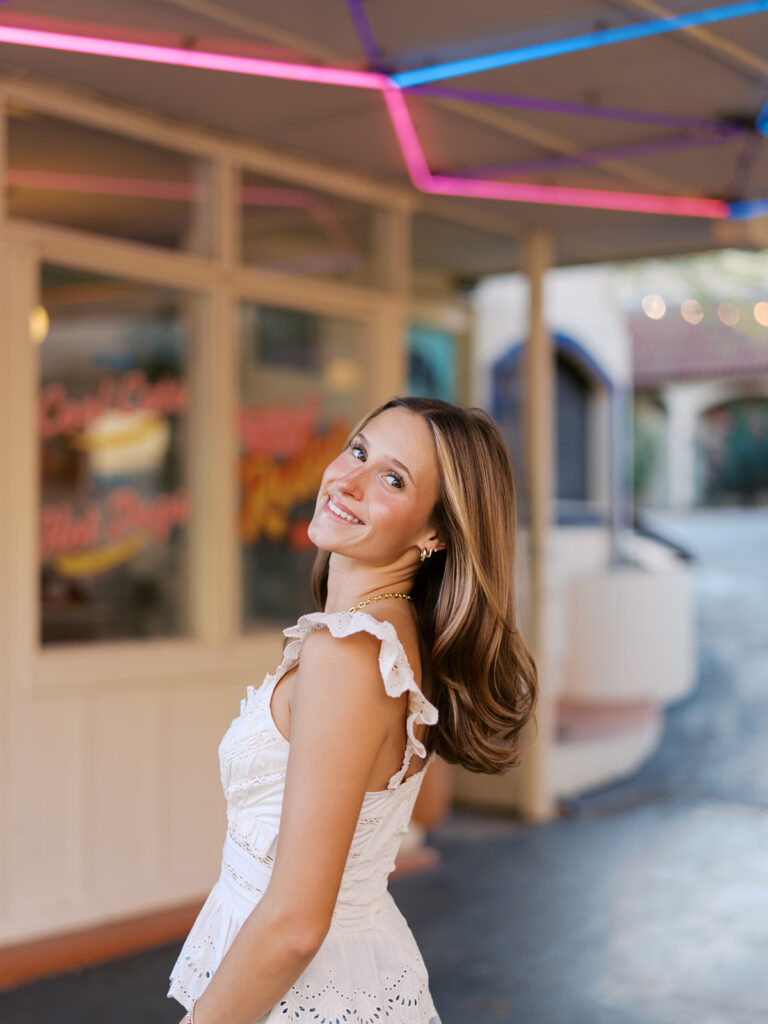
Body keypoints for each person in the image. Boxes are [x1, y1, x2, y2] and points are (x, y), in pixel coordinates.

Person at [168, 395, 538, 1024]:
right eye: (359, 450)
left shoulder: (350, 654)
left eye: (393, 479)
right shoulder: (395, 639)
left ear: (435, 532)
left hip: (303, 991)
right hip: (348, 971)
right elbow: (424, 804)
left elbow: (294, 925)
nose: (349, 480)